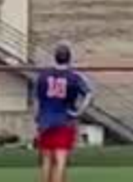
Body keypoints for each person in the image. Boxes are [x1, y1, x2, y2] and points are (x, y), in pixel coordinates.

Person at [34, 44, 92, 182]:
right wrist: (79, 112)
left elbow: (37, 98)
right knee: (61, 159)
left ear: (55, 57)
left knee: (47, 160)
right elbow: (89, 94)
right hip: (64, 120)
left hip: (46, 120)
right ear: (69, 58)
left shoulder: (43, 76)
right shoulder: (74, 77)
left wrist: (38, 118)